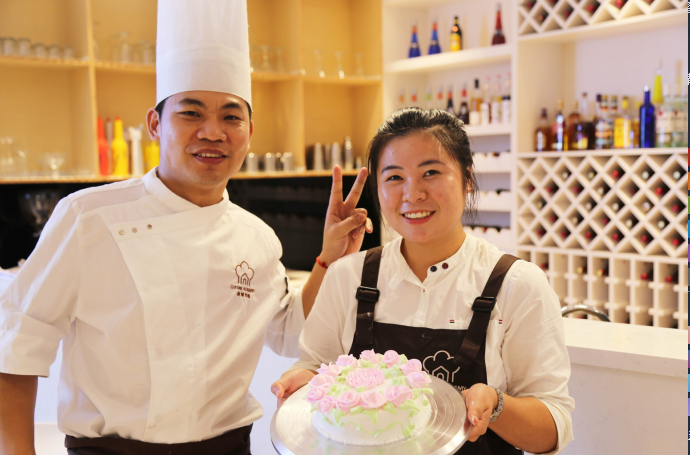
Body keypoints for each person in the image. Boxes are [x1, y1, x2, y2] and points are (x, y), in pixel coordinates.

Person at [0, 1, 372, 454]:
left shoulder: (255, 237)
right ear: (155, 125)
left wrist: (330, 257)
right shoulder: (88, 217)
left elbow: (290, 332)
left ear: (250, 131)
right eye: (191, 113)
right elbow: (17, 347)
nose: (213, 132)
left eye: (231, 116)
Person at [271, 108, 574, 454]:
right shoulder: (347, 276)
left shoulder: (518, 284)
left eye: (430, 172)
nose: (412, 194)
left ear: (467, 179)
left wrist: (496, 405)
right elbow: (315, 369)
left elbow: (552, 426)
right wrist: (303, 382)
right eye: (394, 177)